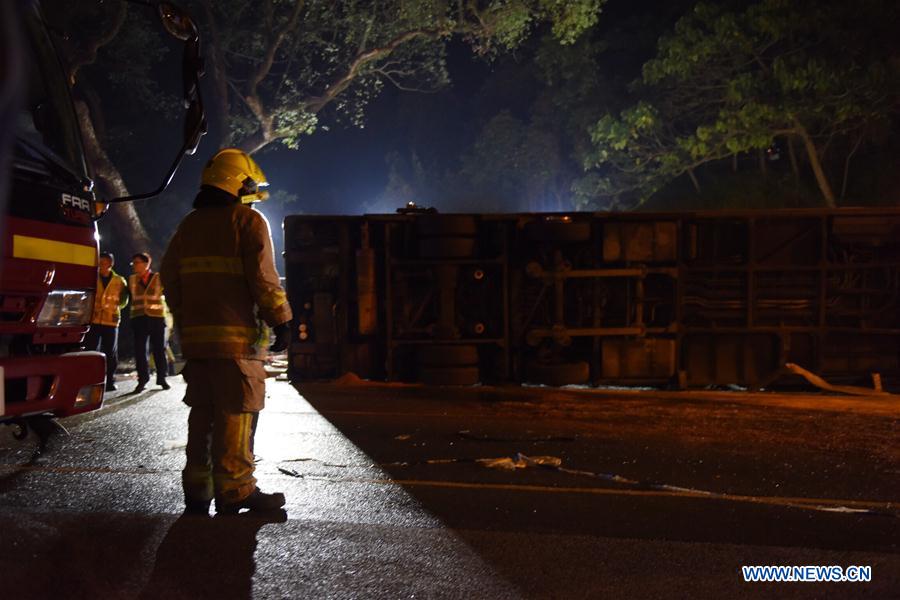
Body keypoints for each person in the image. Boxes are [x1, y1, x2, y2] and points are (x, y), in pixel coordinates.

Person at [161, 147, 292, 516]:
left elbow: (170, 277)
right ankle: (236, 490)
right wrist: (281, 319)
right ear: (236, 183)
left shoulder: (188, 226)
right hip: (237, 342)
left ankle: (198, 490)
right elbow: (264, 279)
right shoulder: (247, 222)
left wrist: (188, 321)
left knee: (202, 413)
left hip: (199, 344)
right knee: (237, 412)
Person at [84, 252, 129, 391]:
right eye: (99, 263)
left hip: (111, 321)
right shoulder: (91, 278)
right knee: (92, 351)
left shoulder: (120, 281)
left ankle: (110, 381)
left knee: (111, 353)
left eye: (104, 263)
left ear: (111, 264)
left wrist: (113, 307)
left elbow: (124, 301)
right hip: (94, 320)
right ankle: (91, 380)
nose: (101, 266)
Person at [129, 252, 169, 392]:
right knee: (140, 351)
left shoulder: (158, 278)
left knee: (159, 349)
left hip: (156, 318)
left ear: (146, 264)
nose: (134, 266)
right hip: (139, 318)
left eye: (137, 263)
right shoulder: (132, 280)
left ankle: (162, 378)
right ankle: (143, 379)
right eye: (133, 263)